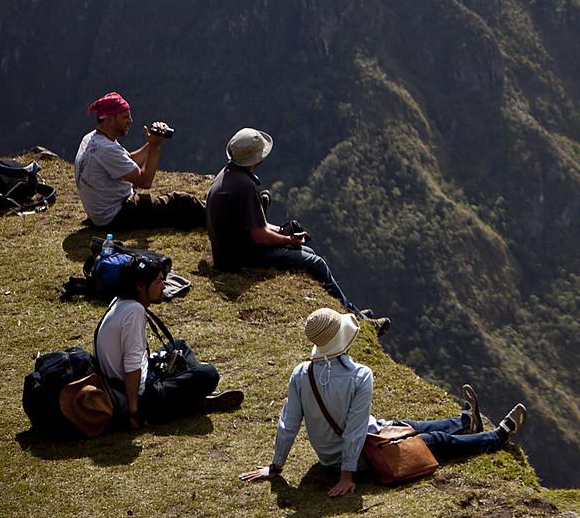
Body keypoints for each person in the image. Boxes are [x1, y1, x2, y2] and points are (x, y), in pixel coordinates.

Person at [238, 308, 524, 497]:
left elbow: (288, 423)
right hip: (360, 459)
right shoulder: (359, 375)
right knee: (432, 441)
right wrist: (348, 475)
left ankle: (464, 423)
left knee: (407, 425)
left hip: (329, 457)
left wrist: (275, 467)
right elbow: (354, 428)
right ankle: (495, 438)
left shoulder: (302, 373)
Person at [206, 128, 390, 334]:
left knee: (308, 254)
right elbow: (260, 235)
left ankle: (352, 311)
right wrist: (288, 240)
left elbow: (257, 226)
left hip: (228, 251)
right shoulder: (246, 187)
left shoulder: (227, 175)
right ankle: (359, 320)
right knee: (316, 262)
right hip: (240, 259)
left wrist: (285, 234)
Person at [94, 254, 243, 426]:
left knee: (178, 345)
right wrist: (134, 412)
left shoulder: (120, 301)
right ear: (141, 286)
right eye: (158, 282)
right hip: (142, 397)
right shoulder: (133, 311)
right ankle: (195, 399)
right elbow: (132, 365)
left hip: (131, 379)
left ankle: (191, 393)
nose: (163, 287)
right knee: (209, 374)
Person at [74, 92, 206, 229]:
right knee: (182, 201)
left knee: (174, 206)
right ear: (110, 119)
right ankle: (220, 215)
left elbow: (128, 160)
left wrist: (151, 142)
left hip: (101, 213)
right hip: (116, 216)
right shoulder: (106, 149)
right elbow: (145, 181)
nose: (130, 120)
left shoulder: (92, 139)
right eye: (125, 117)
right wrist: (155, 147)